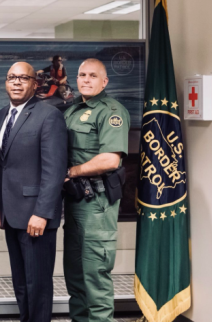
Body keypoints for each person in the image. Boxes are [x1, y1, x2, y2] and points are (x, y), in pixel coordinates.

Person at [0, 62, 67, 322]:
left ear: (35, 84)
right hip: (11, 214)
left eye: (22, 78)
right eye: (11, 77)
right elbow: (4, 166)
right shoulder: (2, 115)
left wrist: (43, 213)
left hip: (36, 216)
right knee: (22, 283)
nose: (16, 82)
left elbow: (54, 170)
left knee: (38, 285)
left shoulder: (49, 115)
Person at [63, 58, 130, 322]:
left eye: (92, 75)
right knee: (75, 276)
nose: (86, 80)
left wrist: (71, 172)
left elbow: (110, 160)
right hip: (75, 203)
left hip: (98, 204)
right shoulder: (71, 111)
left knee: (95, 277)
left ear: (105, 81)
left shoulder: (111, 111)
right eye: (82, 75)